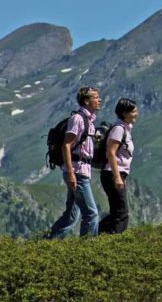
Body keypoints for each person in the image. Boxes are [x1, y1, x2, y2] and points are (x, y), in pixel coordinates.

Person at [48, 86, 101, 238]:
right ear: (86, 101)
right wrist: (71, 173)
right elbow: (66, 145)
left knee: (72, 215)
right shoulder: (78, 119)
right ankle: (88, 250)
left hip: (81, 171)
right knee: (91, 214)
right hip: (77, 172)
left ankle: (49, 242)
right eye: (96, 97)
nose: (99, 100)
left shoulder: (90, 121)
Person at [99, 98, 138, 234]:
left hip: (116, 174)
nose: (136, 114)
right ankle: (115, 241)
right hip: (112, 173)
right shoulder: (118, 129)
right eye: (134, 111)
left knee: (117, 211)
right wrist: (117, 177)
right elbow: (111, 153)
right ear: (125, 113)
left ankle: (99, 234)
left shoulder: (125, 128)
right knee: (121, 212)